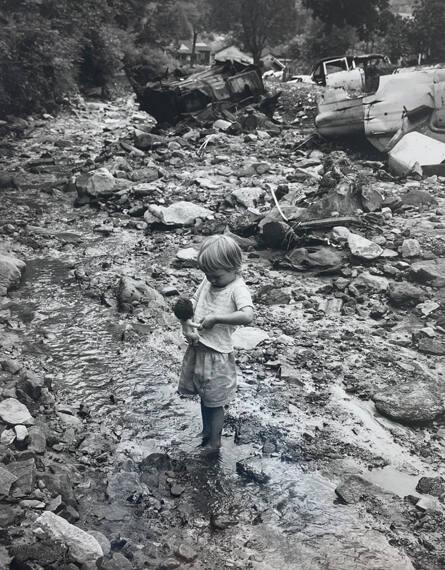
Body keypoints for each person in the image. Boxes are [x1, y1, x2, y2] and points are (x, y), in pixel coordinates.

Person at [177, 235, 254, 451]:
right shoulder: (210, 280)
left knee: (215, 402)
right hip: (199, 348)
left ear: (234, 267)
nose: (211, 280)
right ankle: (206, 431)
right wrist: (187, 316)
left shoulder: (237, 288)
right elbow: (195, 299)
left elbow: (247, 315)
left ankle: (215, 441)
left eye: (216, 276)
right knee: (204, 396)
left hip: (217, 355)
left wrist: (218, 318)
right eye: (207, 275)